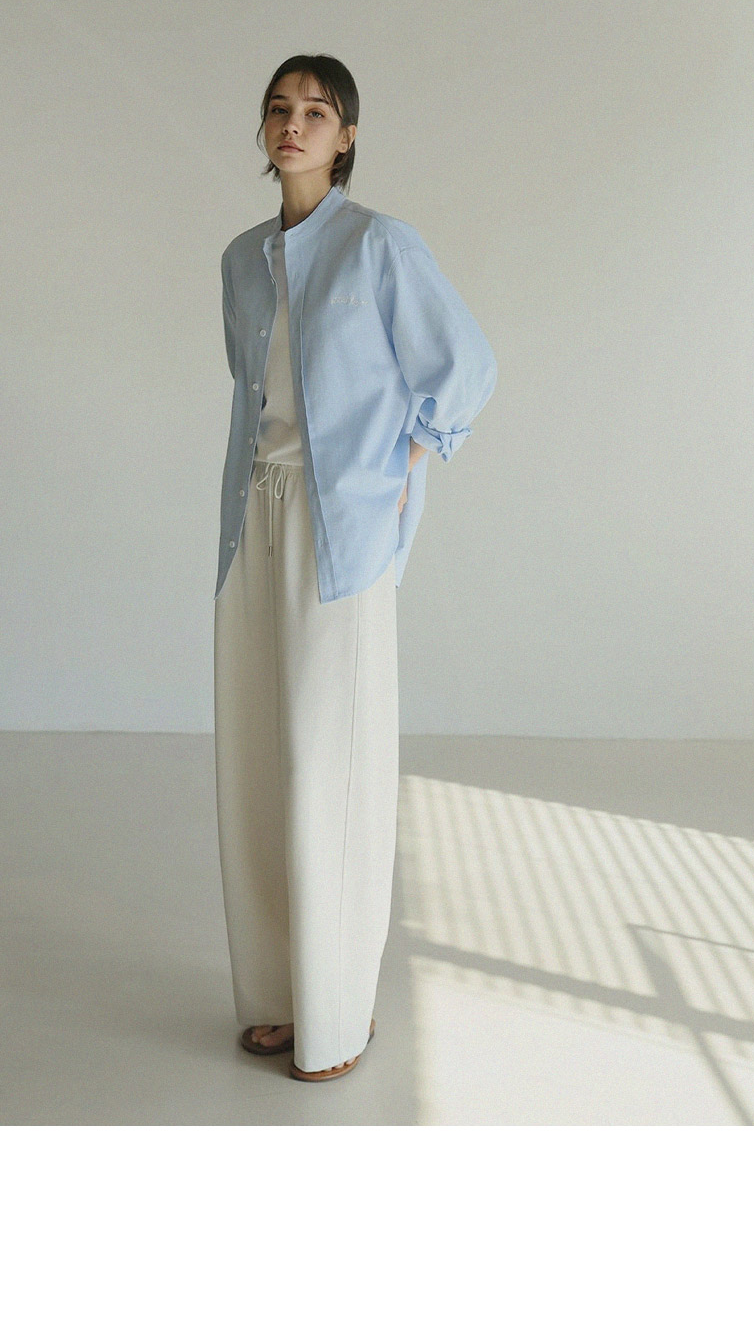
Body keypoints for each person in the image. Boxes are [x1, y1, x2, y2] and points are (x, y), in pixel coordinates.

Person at [213, 53, 497, 1082]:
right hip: (252, 519)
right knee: (256, 762)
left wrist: (404, 465)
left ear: (347, 136)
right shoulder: (242, 259)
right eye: (278, 109)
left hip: (344, 534)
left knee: (329, 767)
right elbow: (255, 393)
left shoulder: (380, 244)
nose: (293, 124)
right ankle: (276, 995)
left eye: (316, 111)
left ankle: (337, 1012)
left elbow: (464, 367)